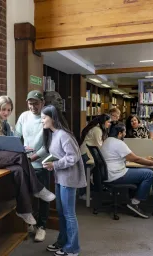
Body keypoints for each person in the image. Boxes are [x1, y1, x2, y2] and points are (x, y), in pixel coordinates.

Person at [0, 95, 56, 225]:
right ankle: (38, 189)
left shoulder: (6, 124)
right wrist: (6, 148)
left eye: (9, 110)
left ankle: (24, 210)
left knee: (19, 170)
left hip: (1, 157)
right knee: (20, 156)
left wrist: (22, 147)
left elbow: (12, 141)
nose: (6, 113)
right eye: (4, 110)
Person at [41, 105, 86, 256]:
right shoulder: (54, 134)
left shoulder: (64, 135)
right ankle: (62, 242)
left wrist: (55, 164)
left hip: (69, 179)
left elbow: (73, 157)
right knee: (61, 212)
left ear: (53, 118)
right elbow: (60, 154)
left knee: (69, 214)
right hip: (60, 178)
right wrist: (52, 164)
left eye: (44, 118)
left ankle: (73, 248)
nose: (42, 121)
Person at [100, 122, 153, 219]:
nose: (125, 134)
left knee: (140, 172)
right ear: (119, 133)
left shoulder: (107, 141)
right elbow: (135, 159)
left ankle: (132, 198)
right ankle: (134, 203)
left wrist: (144, 158)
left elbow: (129, 157)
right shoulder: (118, 143)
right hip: (117, 175)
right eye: (124, 132)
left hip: (109, 174)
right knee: (149, 173)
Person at [15, 90, 50, 242]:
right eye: (30, 103)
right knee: (25, 195)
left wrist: (33, 157)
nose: (33, 106)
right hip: (26, 164)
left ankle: (42, 226)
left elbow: (48, 145)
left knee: (43, 197)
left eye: (36, 103)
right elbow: (16, 137)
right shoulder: (23, 116)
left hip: (41, 164)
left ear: (42, 103)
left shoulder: (47, 118)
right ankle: (29, 224)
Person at [79, 114, 112, 200]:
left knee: (88, 174)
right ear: (103, 122)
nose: (109, 124)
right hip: (86, 154)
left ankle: (93, 189)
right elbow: (99, 145)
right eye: (108, 122)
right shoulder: (97, 130)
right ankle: (82, 194)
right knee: (85, 175)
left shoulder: (97, 129)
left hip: (87, 153)